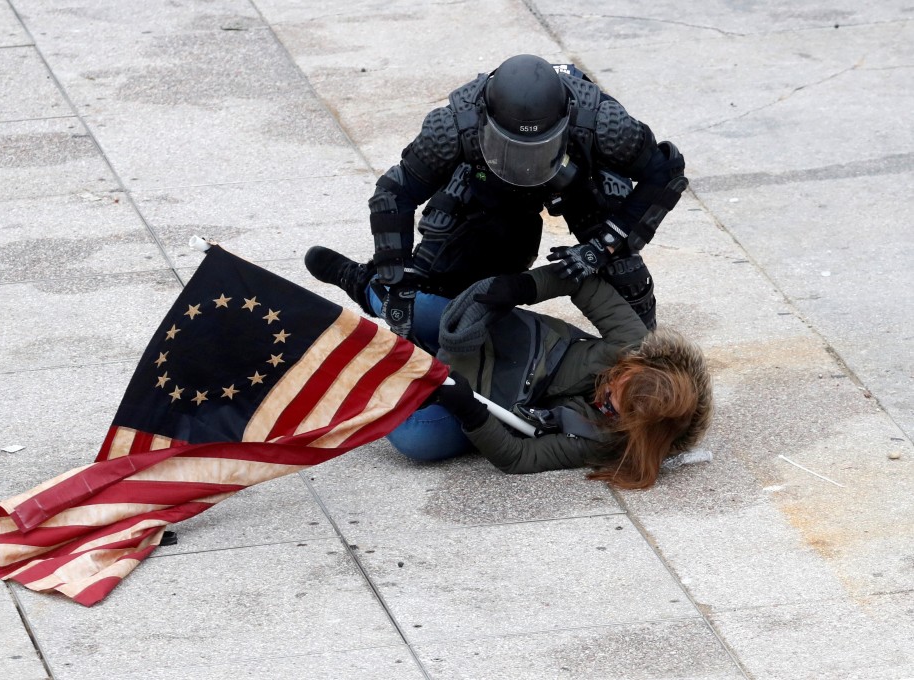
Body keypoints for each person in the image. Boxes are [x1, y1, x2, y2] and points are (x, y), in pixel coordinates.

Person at [305, 53, 688, 352]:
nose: (526, 163)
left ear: (568, 119)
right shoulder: (453, 126)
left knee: (631, 300)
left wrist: (605, 244)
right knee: (431, 287)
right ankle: (364, 283)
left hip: (577, 181)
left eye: (535, 147)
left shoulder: (603, 122)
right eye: (514, 146)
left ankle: (642, 358)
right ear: (484, 120)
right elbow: (393, 193)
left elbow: (666, 171)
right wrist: (397, 279)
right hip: (491, 185)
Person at [387, 264, 713, 490]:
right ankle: (358, 281)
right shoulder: (635, 343)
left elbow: (518, 458)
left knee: (415, 439)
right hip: (508, 342)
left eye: (613, 408)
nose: (606, 393)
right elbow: (581, 282)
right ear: (639, 364)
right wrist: (524, 286)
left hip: (490, 403)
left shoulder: (601, 440)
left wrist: (471, 414)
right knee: (413, 307)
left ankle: (388, 370)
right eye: (618, 377)